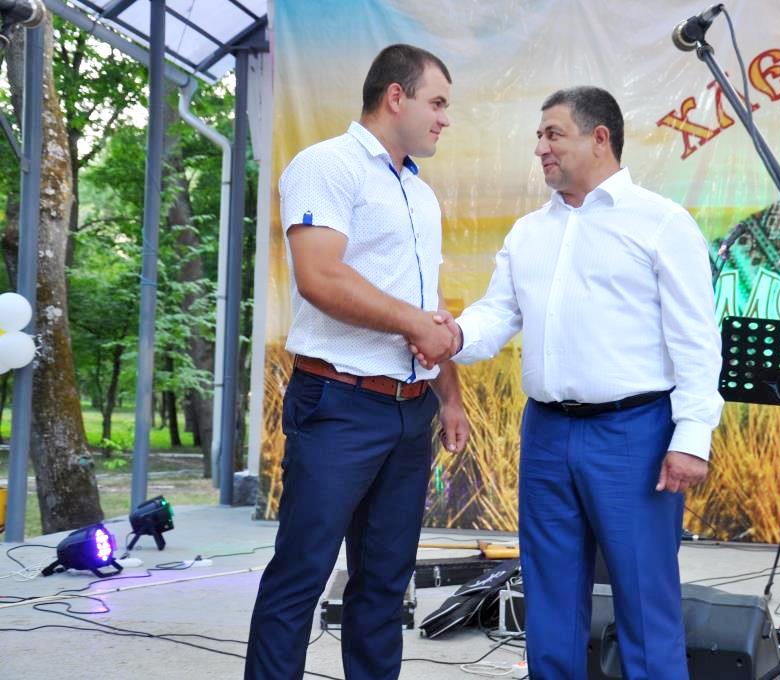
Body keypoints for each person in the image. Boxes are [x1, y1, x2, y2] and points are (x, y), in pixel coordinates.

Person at [413, 86, 723, 679]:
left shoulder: (662, 223)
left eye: (553, 134)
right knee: (549, 598)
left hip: (635, 433)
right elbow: (498, 312)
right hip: (547, 433)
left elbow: (696, 340)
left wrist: (691, 437)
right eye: (539, 136)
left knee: (645, 599)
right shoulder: (529, 232)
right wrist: (452, 336)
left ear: (599, 137)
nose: (540, 148)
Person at [245, 44, 469, 680]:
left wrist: (450, 396)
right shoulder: (327, 165)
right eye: (437, 103)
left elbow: (429, 306)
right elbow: (320, 277)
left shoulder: (419, 194)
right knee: (302, 573)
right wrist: (414, 324)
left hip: (410, 411)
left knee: (385, 583)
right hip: (338, 404)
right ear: (395, 97)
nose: (445, 118)